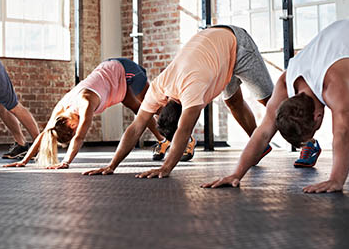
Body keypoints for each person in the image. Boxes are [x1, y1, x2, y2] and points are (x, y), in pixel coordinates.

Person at [84, 25, 273, 178]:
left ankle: (304, 142)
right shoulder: (159, 88)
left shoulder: (193, 89)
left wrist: (165, 168)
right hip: (214, 51)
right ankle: (260, 145)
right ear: (163, 105)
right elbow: (136, 127)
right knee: (233, 101)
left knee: (270, 101)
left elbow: (184, 130)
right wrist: (111, 166)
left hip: (237, 43)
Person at [203, 17, 349, 193]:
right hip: (347, 44)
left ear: (318, 118)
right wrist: (236, 174)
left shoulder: (334, 85)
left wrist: (336, 180)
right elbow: (262, 134)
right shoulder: (286, 83)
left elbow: (342, 132)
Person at [5, 58, 170, 170]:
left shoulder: (85, 102)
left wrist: (66, 162)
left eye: (74, 130)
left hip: (125, 71)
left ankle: (178, 132)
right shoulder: (62, 109)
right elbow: (45, 134)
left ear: (71, 125)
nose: (77, 131)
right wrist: (24, 160)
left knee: (154, 105)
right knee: (141, 111)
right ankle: (163, 141)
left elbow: (79, 138)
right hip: (113, 80)